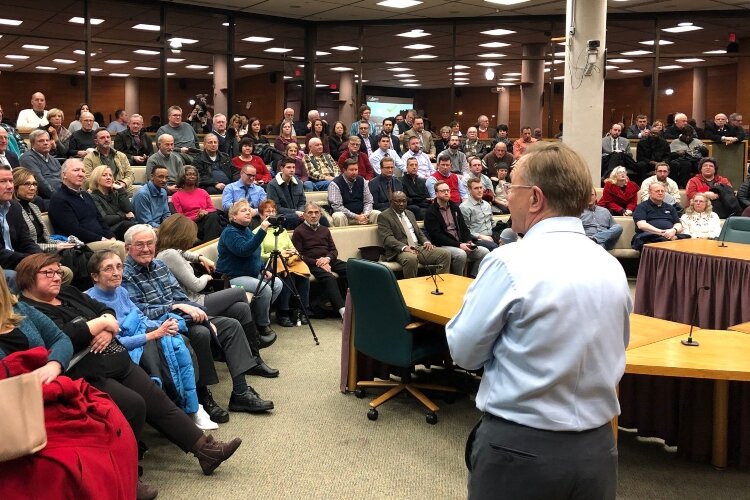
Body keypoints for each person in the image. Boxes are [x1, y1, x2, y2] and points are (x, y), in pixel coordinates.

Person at [446, 142, 629, 500]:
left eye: (511, 187)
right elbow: (616, 346)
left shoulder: (509, 262)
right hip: (598, 449)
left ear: (534, 198)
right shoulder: (611, 266)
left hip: (520, 448)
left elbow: (464, 353)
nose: (506, 196)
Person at [16, 253, 242, 477]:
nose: (56, 277)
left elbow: (106, 309)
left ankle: (206, 450)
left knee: (157, 399)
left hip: (117, 358)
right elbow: (64, 337)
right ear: (27, 277)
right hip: (86, 372)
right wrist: (101, 324)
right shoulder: (29, 310)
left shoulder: (69, 292)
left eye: (58, 271)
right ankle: (125, 474)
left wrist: (104, 325)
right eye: (48, 273)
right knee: (134, 405)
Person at [122, 224, 275, 419]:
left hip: (184, 318)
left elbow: (180, 295)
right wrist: (175, 308)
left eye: (149, 243)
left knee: (231, 324)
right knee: (201, 333)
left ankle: (240, 392)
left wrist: (199, 313)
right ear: (127, 248)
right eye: (139, 245)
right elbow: (138, 311)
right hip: (161, 327)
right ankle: (203, 396)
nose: (145, 249)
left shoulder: (159, 265)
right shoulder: (125, 275)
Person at [84, 250, 216, 430]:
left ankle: (191, 406)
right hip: (122, 351)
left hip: (143, 335)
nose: (116, 272)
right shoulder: (89, 301)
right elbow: (116, 343)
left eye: (119, 266)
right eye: (108, 268)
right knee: (166, 348)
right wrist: (153, 334)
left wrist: (163, 325)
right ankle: (180, 410)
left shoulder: (121, 291)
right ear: (95, 276)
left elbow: (140, 317)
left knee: (179, 339)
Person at [155, 214, 278, 372]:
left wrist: (200, 257)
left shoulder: (171, 251)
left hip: (197, 299)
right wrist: (206, 277)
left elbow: (184, 254)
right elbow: (196, 285)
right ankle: (255, 339)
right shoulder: (169, 255)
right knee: (239, 293)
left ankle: (254, 359)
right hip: (193, 303)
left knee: (240, 308)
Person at [215, 200, 283, 336]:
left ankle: (256, 317)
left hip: (251, 274)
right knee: (265, 289)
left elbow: (255, 254)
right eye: (243, 210)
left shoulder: (245, 230)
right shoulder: (230, 232)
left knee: (277, 284)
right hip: (232, 277)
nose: (247, 212)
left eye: (248, 210)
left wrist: (263, 269)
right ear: (233, 216)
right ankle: (262, 325)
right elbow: (244, 250)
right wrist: (262, 230)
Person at [48, 159, 125, 258]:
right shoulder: (59, 199)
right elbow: (73, 230)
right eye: (76, 170)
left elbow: (100, 220)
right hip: (81, 245)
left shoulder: (86, 195)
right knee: (120, 247)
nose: (81, 174)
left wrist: (111, 237)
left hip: (100, 240)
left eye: (83, 171)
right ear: (64, 175)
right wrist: (102, 239)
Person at [256, 200, 311, 327]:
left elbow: (293, 248)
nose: (271, 214)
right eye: (267, 212)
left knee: (304, 275)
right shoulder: (258, 232)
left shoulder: (283, 231)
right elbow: (259, 255)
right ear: (261, 215)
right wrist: (278, 254)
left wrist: (291, 252)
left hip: (287, 260)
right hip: (270, 262)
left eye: (273, 211)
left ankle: (302, 311)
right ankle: (283, 312)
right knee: (287, 275)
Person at [291, 202, 347, 318]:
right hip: (311, 263)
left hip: (327, 259)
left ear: (320, 215)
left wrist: (327, 259)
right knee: (329, 277)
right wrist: (318, 262)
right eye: (310, 213)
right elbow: (300, 256)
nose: (313, 215)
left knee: (351, 269)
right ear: (304, 215)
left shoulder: (325, 230)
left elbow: (334, 251)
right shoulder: (298, 231)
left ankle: (354, 304)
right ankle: (343, 312)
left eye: (316, 212)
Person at [377, 191, 451, 279]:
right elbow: (387, 238)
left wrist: (426, 242)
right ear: (391, 202)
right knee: (411, 258)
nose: (401, 204)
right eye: (398, 201)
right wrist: (404, 247)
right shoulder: (384, 216)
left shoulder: (410, 213)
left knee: (445, 254)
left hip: (417, 247)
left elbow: (419, 232)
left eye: (404, 201)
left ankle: (440, 284)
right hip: (399, 251)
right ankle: (411, 288)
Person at [424, 180, 489, 277]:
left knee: (484, 252)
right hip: (443, 245)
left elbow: (463, 227)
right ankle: (458, 279)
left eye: (448, 190)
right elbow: (437, 236)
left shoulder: (454, 207)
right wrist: (458, 245)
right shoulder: (431, 212)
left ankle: (473, 277)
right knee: (460, 254)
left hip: (460, 243)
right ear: (436, 193)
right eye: (443, 191)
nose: (446, 193)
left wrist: (468, 241)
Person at [0, 165, 44, 290]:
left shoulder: (14, 207)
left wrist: (41, 259)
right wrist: (30, 261)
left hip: (16, 261)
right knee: (12, 276)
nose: (9, 186)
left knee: (56, 270)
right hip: (5, 265)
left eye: (11, 181)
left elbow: (26, 240)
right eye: (3, 181)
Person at [171, 166, 225, 242]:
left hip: (207, 220)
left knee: (213, 216)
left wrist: (205, 212)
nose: (192, 176)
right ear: (182, 177)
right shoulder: (176, 196)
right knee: (213, 221)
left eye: (194, 174)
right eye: (189, 174)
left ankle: (208, 244)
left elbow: (211, 208)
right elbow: (180, 218)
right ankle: (210, 246)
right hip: (190, 224)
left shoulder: (203, 192)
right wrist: (196, 217)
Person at [632, 182, 690, 251]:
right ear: (650, 192)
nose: (660, 193)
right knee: (649, 238)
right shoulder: (642, 207)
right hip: (650, 235)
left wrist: (673, 230)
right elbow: (642, 225)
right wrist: (661, 232)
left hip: (669, 235)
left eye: (662, 191)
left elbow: (678, 224)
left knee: (688, 238)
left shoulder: (670, 207)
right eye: (657, 191)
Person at [89, 165, 137, 241]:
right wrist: (124, 215)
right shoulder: (92, 197)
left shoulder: (116, 193)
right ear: (96, 178)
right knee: (129, 226)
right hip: (108, 231)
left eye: (110, 175)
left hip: (122, 226)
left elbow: (129, 210)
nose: (108, 177)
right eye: (104, 175)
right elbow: (105, 219)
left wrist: (121, 190)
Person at [83, 128, 136, 195]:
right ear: (96, 141)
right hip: (100, 189)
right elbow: (87, 179)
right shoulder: (89, 158)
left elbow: (130, 174)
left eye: (108, 137)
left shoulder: (121, 156)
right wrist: (105, 185)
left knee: (141, 191)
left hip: (120, 187)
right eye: (102, 138)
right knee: (90, 193)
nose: (106, 140)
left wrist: (123, 183)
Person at [328, 159, 380, 227]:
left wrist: (365, 214)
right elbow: (337, 207)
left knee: (377, 213)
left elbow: (369, 201)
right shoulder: (335, 184)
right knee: (338, 216)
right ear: (344, 170)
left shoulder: (362, 180)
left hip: (362, 214)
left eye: (356, 169)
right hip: (346, 216)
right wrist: (356, 216)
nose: (354, 172)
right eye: (351, 170)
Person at [19, 130, 63, 209]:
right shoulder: (28, 159)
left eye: (47, 140)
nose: (46, 143)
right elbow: (41, 184)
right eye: (41, 141)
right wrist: (60, 198)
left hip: (61, 195)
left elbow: (65, 178)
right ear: (32, 144)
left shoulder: (53, 160)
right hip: (44, 199)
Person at [266, 156, 307, 229]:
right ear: (282, 168)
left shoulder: (299, 183)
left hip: (298, 214)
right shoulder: (272, 185)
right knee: (293, 218)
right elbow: (276, 207)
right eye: (288, 167)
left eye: (293, 167)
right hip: (281, 216)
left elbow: (302, 202)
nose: (292, 170)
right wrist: (295, 212)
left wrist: (300, 212)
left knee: (321, 218)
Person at [460, 178, 499, 251]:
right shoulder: (464, 207)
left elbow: (492, 222)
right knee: (494, 247)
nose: (479, 190)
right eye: (476, 188)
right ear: (469, 190)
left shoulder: (487, 204)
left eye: (481, 188)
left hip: (491, 234)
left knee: (509, 238)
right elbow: (465, 230)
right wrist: (481, 236)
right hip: (476, 239)